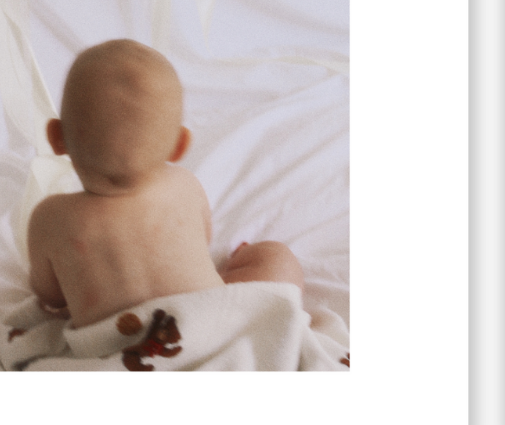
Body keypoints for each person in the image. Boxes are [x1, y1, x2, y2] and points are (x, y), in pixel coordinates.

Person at [29, 39, 302, 329]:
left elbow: (52, 297)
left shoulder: (50, 219)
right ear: (180, 145)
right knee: (277, 258)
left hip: (121, 354)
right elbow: (203, 243)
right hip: (211, 330)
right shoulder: (185, 185)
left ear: (56, 137)